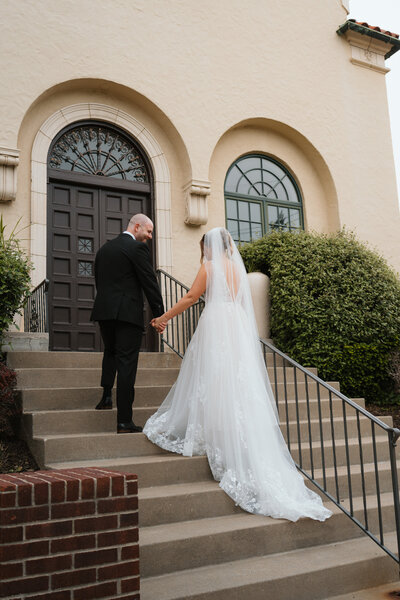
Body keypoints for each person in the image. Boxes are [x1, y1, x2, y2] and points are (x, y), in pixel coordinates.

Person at [144, 227, 332, 521]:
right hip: (236, 325)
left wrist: (165, 317)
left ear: (209, 247)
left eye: (204, 247)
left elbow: (193, 295)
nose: (204, 252)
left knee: (213, 377)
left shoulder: (210, 266)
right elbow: (242, 303)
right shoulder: (235, 268)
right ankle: (231, 430)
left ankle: (217, 431)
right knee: (235, 379)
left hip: (217, 323)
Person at [91, 214, 164, 434]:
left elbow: (99, 281)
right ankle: (124, 421)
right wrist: (160, 315)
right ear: (137, 226)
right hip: (127, 314)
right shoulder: (137, 249)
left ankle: (105, 396)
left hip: (104, 311)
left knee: (110, 353)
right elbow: (149, 283)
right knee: (126, 364)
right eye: (149, 232)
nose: (150, 237)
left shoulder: (104, 249)